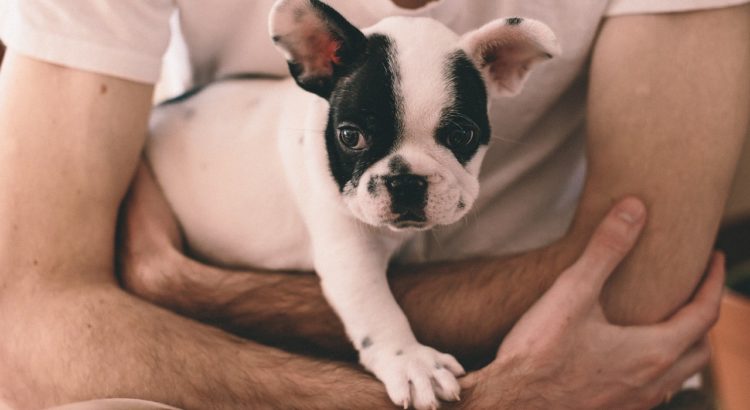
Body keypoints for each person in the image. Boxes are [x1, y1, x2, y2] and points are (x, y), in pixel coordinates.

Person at [0, 0, 747, 409]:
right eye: (359, 138)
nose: (407, 179)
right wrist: (478, 398)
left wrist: (187, 290)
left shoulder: (469, 61)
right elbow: (27, 325)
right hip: (509, 359)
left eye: (454, 137)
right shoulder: (308, 124)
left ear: (504, 65)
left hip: (591, 370)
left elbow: (640, 290)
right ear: (316, 61)